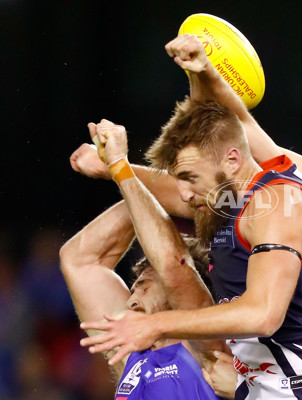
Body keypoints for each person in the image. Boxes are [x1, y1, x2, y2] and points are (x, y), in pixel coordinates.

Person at [69, 34, 302, 399]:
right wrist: (202, 72)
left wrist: (151, 326)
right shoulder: (300, 187)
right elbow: (233, 126)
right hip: (265, 380)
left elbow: (264, 315)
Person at [75, 98, 302, 399]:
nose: (184, 194)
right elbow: (167, 258)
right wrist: (118, 167)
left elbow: (263, 315)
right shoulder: (223, 204)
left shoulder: (278, 203)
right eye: (179, 179)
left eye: (190, 178)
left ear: (232, 161)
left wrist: (152, 325)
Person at [60, 119, 228, 399]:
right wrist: (132, 184)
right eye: (136, 285)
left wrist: (118, 167)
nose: (132, 296)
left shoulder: (208, 350)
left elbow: (174, 265)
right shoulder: (131, 355)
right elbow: (80, 260)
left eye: (146, 284)